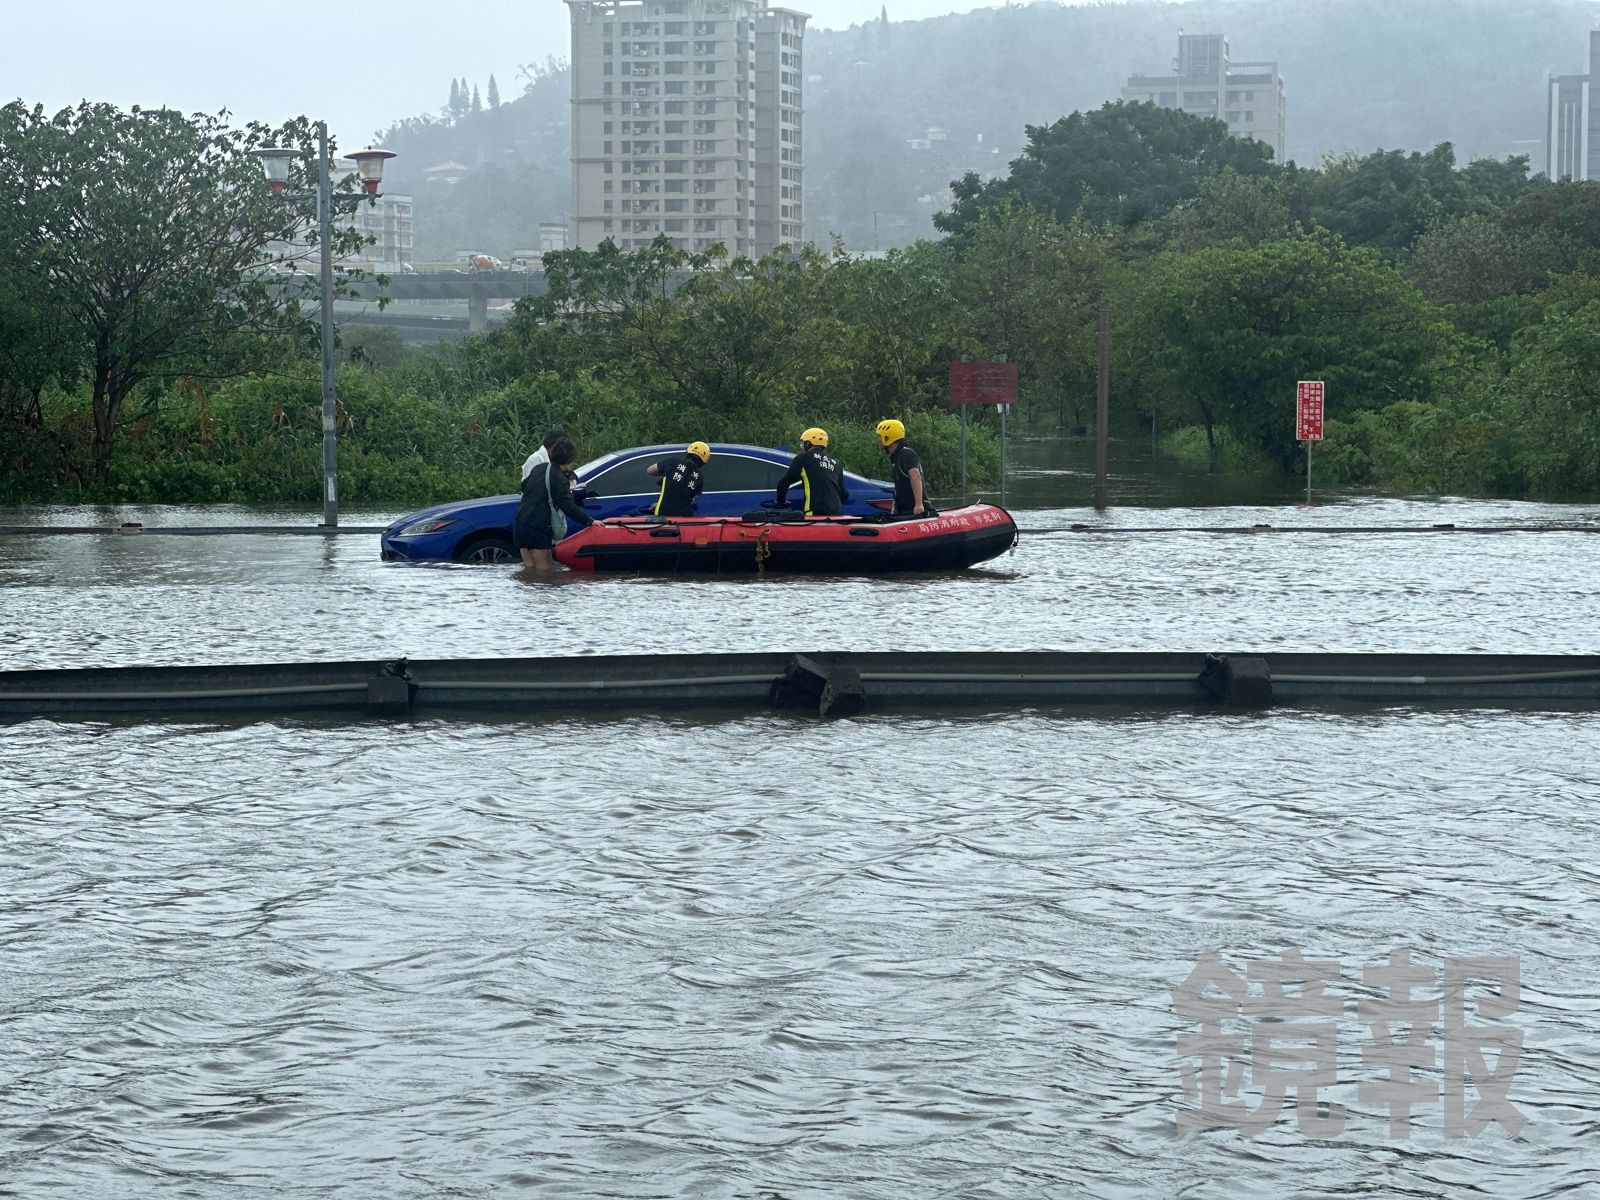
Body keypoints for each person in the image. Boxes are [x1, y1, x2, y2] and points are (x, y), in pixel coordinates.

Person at [515, 437, 602, 570]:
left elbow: (524, 486)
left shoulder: (539, 468)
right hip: (537, 527)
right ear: (570, 460)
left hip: (520, 522)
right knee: (544, 571)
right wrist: (590, 521)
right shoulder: (560, 479)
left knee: (530, 570)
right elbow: (568, 506)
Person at [775, 427, 848, 516]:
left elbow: (783, 483)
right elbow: (844, 494)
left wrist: (781, 501)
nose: (802, 446)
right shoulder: (836, 464)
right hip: (836, 514)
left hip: (815, 512)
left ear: (808, 443)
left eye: (803, 443)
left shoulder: (803, 458)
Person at [875, 418, 928, 517]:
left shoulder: (906, 453)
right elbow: (899, 484)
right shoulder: (895, 456)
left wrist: (919, 504)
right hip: (903, 511)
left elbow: (916, 476)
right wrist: (894, 506)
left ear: (888, 437)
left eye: (879, 436)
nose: (878, 440)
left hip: (915, 511)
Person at [644, 442, 711, 517]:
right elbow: (691, 499)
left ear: (688, 452)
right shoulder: (699, 477)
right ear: (703, 462)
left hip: (663, 514)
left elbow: (650, 470)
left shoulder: (672, 461)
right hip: (684, 518)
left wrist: (667, 472)